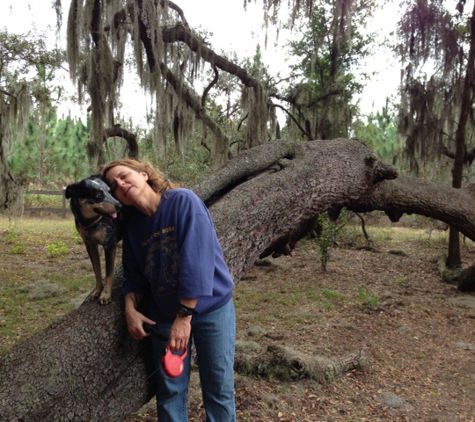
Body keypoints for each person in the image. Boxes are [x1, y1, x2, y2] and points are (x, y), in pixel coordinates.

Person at [99, 159, 236, 422]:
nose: (121, 185)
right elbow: (133, 277)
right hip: (163, 315)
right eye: (114, 186)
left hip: (211, 309)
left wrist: (184, 317)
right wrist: (130, 309)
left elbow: (196, 261)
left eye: (124, 176)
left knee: (218, 390)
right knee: (170, 392)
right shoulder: (133, 229)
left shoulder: (182, 201)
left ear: (143, 174)